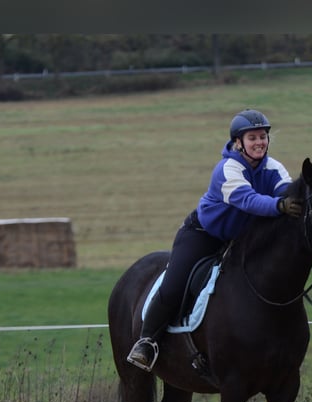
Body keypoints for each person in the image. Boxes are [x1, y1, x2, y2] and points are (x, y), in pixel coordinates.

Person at [126, 108, 303, 371]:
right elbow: (249, 201)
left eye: (263, 136)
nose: (260, 142)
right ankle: (147, 341)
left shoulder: (274, 167)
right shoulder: (227, 169)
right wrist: (280, 207)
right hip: (203, 236)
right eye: (252, 137)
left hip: (242, 240)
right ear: (238, 142)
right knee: (175, 283)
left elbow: (288, 192)